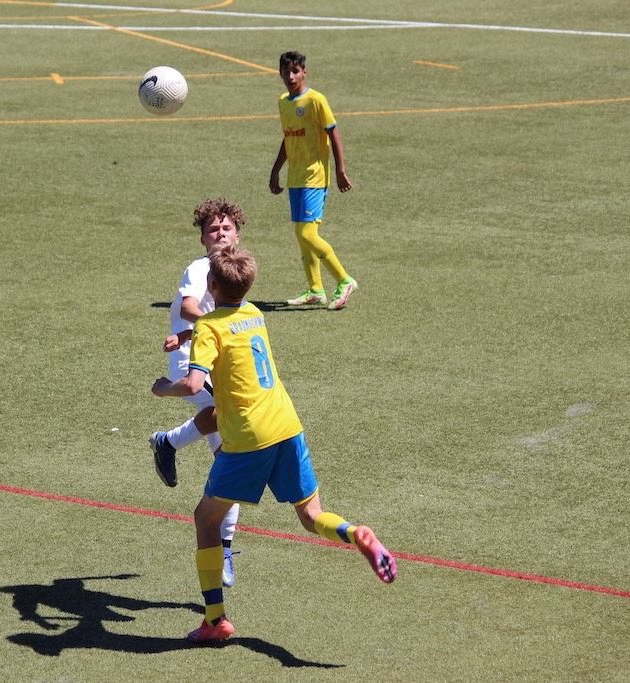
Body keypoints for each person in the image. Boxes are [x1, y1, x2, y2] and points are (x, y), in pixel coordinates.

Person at [152, 245, 396, 644]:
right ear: (247, 287)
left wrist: (164, 388)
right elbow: (228, 331)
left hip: (248, 438)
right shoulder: (255, 314)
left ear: (211, 285)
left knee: (206, 519)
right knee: (312, 515)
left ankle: (215, 620)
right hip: (286, 425)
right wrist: (191, 332)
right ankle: (355, 533)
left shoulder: (209, 327)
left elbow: (194, 385)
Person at [149, 198, 246, 587]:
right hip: (191, 363)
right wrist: (195, 332)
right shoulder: (200, 268)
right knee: (230, 443)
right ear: (203, 239)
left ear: (237, 234)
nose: (220, 234)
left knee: (230, 456)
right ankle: (223, 547)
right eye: (212, 230)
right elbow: (191, 306)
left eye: (226, 228)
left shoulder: (235, 270)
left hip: (214, 361)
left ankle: (168, 443)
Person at [269, 50, 358, 310]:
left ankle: (344, 280)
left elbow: (334, 133)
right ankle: (316, 289)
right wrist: (276, 170)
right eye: (286, 72)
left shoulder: (316, 100)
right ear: (280, 74)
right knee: (301, 235)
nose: (290, 76)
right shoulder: (283, 102)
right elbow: (288, 138)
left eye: (295, 71)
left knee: (308, 233)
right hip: (295, 177)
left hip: (315, 177)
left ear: (304, 72)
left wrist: (340, 170)